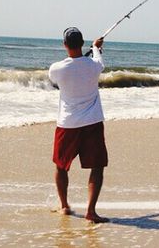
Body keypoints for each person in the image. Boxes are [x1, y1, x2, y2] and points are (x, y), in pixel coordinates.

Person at [48, 27, 109, 223]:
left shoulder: (56, 68)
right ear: (82, 43)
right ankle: (91, 211)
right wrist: (96, 48)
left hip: (68, 124)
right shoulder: (94, 65)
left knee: (61, 166)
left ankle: (64, 206)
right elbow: (99, 61)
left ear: (64, 45)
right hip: (92, 122)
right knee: (97, 166)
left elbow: (56, 80)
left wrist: (87, 55)